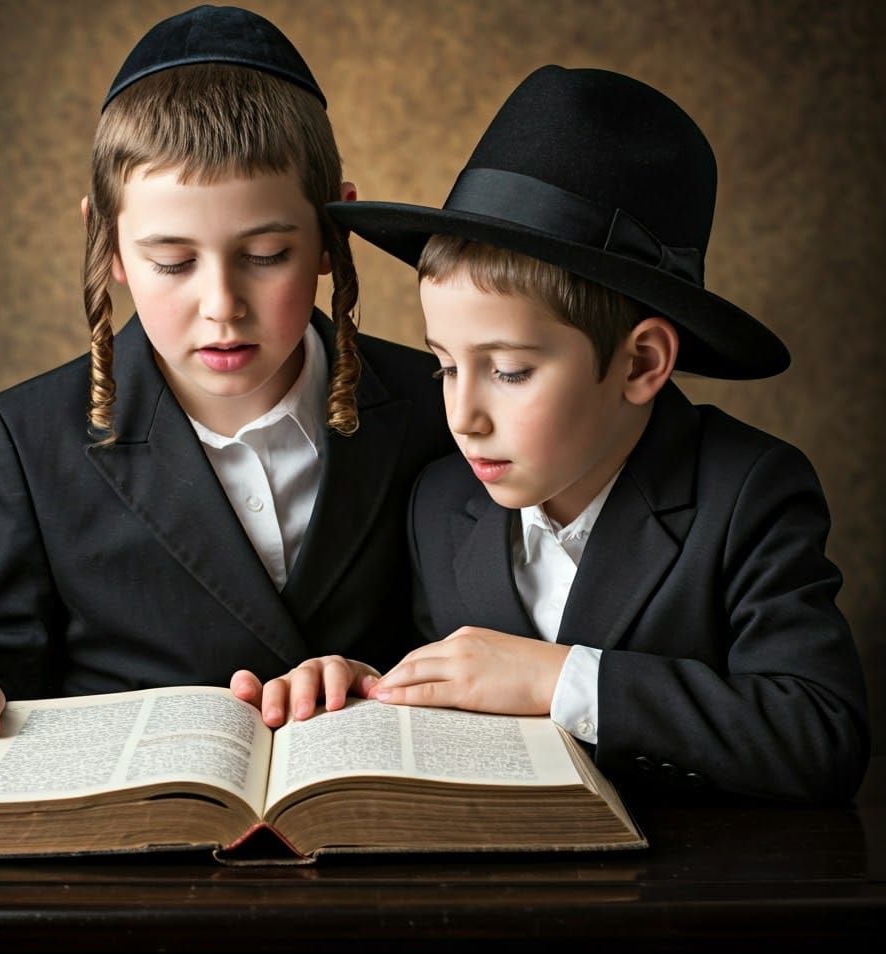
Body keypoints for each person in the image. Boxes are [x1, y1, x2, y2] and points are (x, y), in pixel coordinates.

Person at [236, 65, 870, 803]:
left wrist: (563, 677)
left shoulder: (746, 495)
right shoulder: (440, 504)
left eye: (508, 371)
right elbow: (457, 692)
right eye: (444, 367)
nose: (463, 416)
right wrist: (369, 688)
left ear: (641, 363)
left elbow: (822, 735)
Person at [0, 4, 452, 786]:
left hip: (373, 841)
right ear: (106, 242)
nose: (222, 304)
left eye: (267, 254)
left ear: (331, 235)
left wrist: (379, 683)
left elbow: (489, 640)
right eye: (173, 262)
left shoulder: (439, 407)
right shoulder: (27, 439)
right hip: (129, 869)